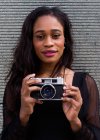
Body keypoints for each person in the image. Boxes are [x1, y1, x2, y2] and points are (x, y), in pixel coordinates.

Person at [1, 6, 100, 140]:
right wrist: (23, 116)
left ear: (65, 40)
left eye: (56, 35)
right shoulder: (19, 85)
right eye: (40, 37)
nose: (48, 43)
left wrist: (75, 122)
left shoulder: (84, 83)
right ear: (32, 42)